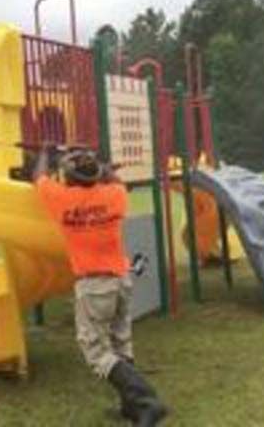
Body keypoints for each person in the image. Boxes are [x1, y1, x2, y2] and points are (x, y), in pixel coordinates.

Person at [33, 146, 169, 426]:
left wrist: (46, 152)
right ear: (97, 175)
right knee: (121, 343)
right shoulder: (114, 195)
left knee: (95, 351)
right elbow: (113, 178)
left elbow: (39, 177)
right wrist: (101, 165)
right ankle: (132, 408)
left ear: (68, 178)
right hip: (121, 280)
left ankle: (146, 401)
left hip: (93, 285)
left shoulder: (61, 199)